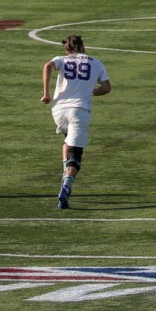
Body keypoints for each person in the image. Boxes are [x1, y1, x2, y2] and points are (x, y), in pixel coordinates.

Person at [41, 34, 111, 210]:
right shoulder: (96, 62)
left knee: (67, 139)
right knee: (76, 155)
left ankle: (65, 174)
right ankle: (66, 186)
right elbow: (106, 88)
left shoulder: (61, 60)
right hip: (79, 112)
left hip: (58, 111)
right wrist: (91, 92)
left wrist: (47, 93)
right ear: (82, 46)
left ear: (68, 48)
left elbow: (48, 66)